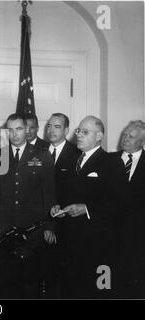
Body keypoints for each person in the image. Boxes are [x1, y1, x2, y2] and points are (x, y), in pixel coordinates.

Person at [0, 113, 56, 298]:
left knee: (30, 284)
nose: (15, 134)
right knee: (6, 284)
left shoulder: (42, 155)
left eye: (19, 129)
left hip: (33, 228)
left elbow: (49, 194)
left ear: (27, 130)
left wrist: (50, 226)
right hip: (5, 228)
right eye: (10, 130)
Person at [50, 115, 113, 298]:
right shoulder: (72, 159)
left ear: (99, 136)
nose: (79, 135)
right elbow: (65, 193)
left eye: (85, 132)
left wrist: (87, 208)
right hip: (69, 239)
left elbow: (119, 202)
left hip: (95, 243)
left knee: (93, 291)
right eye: (78, 130)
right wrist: (57, 207)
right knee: (69, 289)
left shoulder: (110, 162)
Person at [109, 120, 145, 298]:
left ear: (142, 142)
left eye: (131, 137)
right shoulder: (108, 160)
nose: (125, 139)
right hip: (109, 234)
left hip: (138, 237)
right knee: (109, 284)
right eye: (124, 134)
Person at [46, 113, 81, 206]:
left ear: (66, 131)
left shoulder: (77, 154)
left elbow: (76, 189)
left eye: (57, 127)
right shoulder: (38, 150)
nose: (51, 130)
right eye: (49, 126)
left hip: (64, 211)